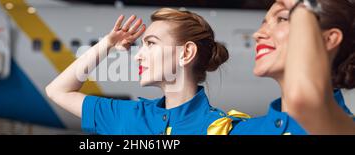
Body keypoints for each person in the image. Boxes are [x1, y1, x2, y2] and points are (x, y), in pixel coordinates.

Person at [45, 8, 233, 135]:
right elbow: (57, 91)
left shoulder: (224, 128)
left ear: (186, 53)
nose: (138, 56)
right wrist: (107, 44)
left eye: (150, 43)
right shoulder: (128, 116)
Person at [208, 0, 355, 135]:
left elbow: (304, 101)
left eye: (282, 19)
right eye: (263, 22)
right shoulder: (240, 130)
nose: (257, 34)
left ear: (329, 39)